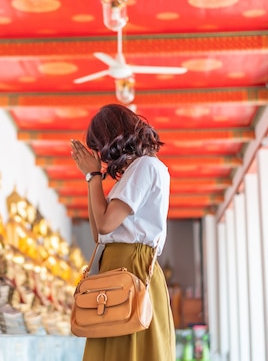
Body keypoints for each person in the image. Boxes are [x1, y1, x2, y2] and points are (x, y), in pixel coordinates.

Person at [70, 103, 175, 361]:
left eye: (99, 146)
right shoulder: (134, 172)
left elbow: (105, 224)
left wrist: (94, 175)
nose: (101, 157)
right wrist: (90, 179)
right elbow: (99, 233)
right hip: (118, 265)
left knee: (129, 349)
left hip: (132, 266)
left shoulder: (146, 167)